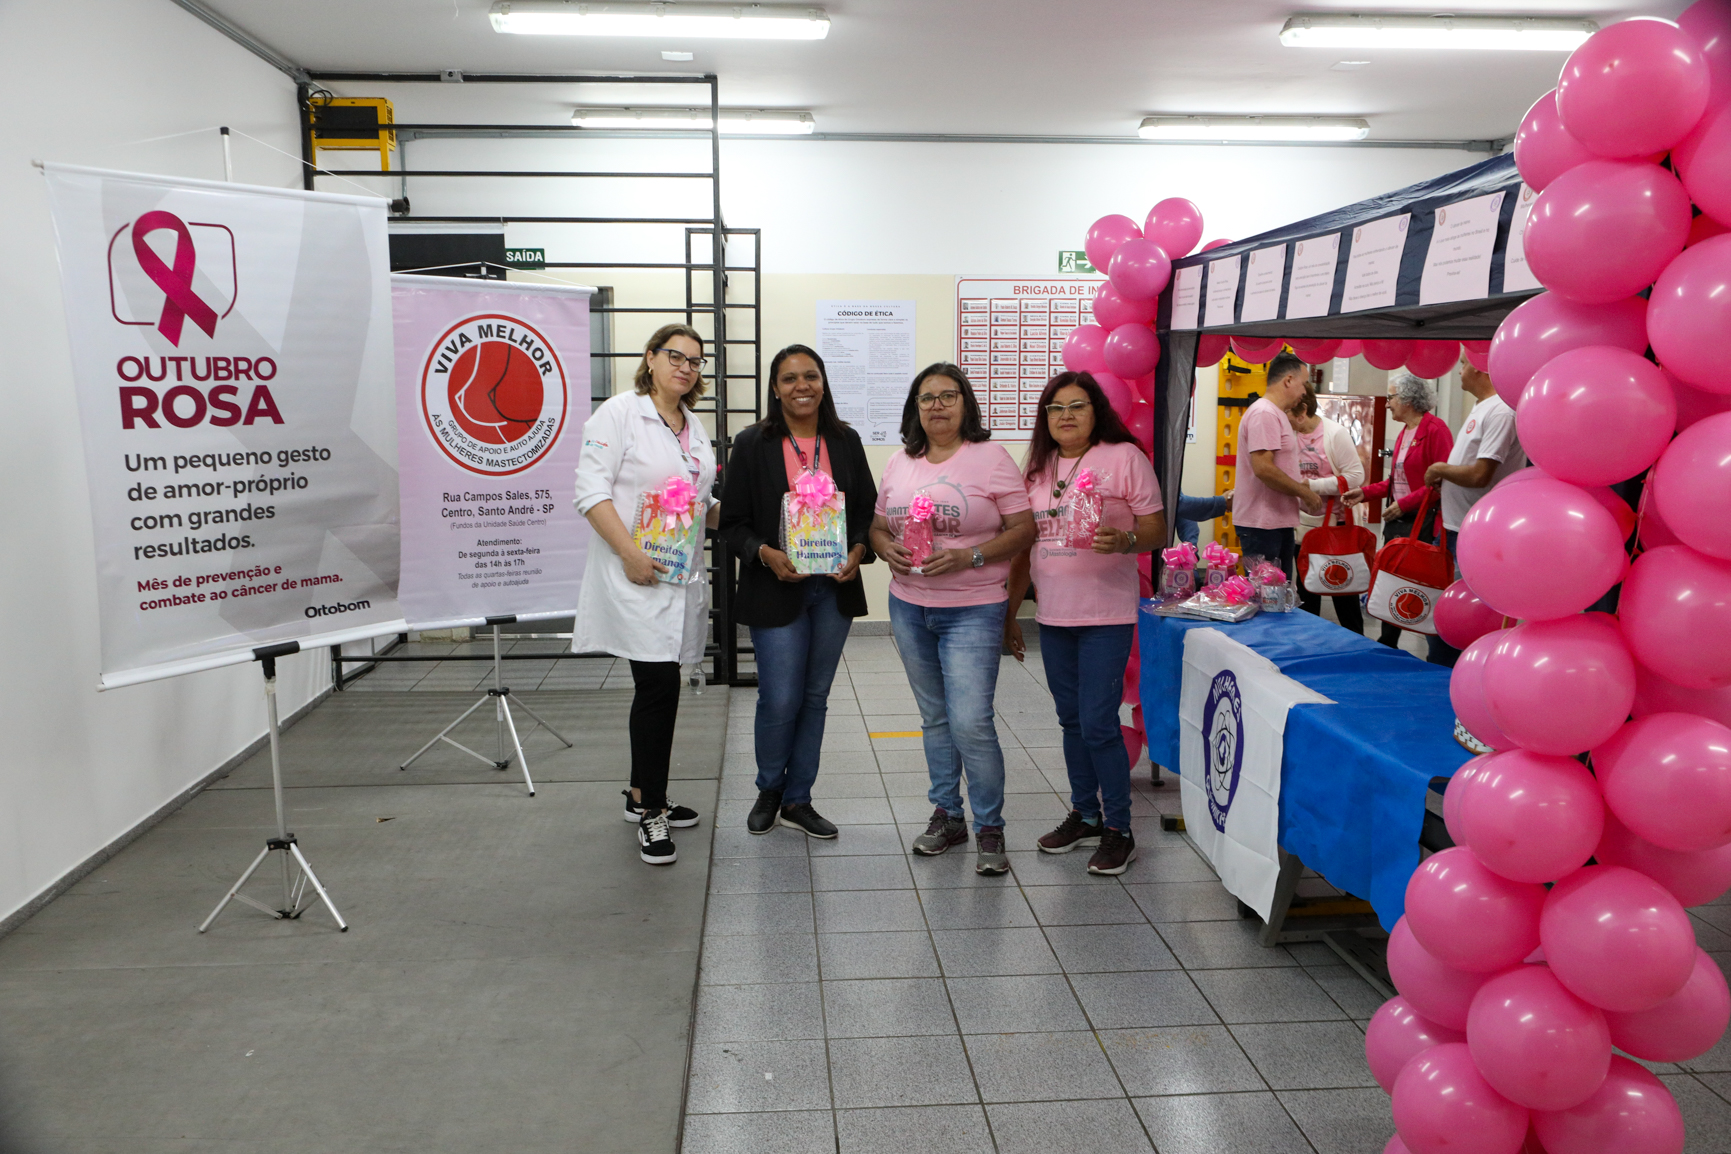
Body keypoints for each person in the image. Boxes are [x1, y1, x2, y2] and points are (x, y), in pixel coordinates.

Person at [870, 364, 1036, 876]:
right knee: (935, 718)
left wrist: (973, 558)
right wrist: (886, 550)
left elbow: (1024, 528)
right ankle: (947, 814)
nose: (937, 406)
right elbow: (878, 527)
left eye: (948, 396)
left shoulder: (989, 458)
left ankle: (990, 827)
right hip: (909, 604)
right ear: (914, 409)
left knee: (972, 721)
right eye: (927, 398)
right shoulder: (901, 461)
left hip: (973, 606)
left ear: (966, 404)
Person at [1003, 373, 1165, 876]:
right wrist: (1012, 615)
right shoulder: (1037, 469)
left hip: (1106, 614)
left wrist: (1126, 542)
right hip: (1052, 615)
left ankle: (1120, 828)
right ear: (1044, 417)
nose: (1066, 416)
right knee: (1071, 720)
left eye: (1077, 406)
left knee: (1097, 722)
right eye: (1055, 408)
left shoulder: (1124, 458)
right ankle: (1086, 815)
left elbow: (1156, 527)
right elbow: (1022, 548)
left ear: (1096, 411)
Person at [574, 323, 718, 866]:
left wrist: (768, 517)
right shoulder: (618, 413)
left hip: (678, 576)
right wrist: (630, 554)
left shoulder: (692, 425)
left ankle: (641, 794)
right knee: (658, 686)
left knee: (661, 684)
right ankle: (652, 812)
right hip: (635, 576)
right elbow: (590, 492)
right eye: (676, 356)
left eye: (696, 361)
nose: (686, 367)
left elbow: (699, 502)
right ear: (651, 359)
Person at [720, 345, 876, 840]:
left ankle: (798, 798)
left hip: (832, 591)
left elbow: (866, 509)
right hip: (776, 587)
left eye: (810, 376)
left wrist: (857, 550)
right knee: (780, 697)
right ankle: (769, 788)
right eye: (789, 379)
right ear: (774, 388)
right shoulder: (752, 443)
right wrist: (765, 553)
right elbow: (733, 523)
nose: (801, 386)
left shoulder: (846, 440)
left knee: (815, 696)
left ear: (824, 383)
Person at [1421, 352, 1526, 666]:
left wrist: (1441, 469)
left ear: (1480, 368)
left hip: (1475, 534)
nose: (1459, 371)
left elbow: (1481, 475)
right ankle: (1441, 668)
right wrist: (1448, 479)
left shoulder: (1501, 411)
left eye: (1464, 364)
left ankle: (1455, 672)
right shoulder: (1482, 408)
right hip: (1455, 526)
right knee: (1443, 610)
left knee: (1462, 616)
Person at [1343, 372, 1454, 654]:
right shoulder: (1405, 432)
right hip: (1398, 523)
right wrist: (1365, 493)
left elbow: (1441, 484)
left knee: (1420, 588)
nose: (1387, 404)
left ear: (1408, 399)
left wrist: (1404, 505)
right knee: (1390, 584)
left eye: (1391, 398)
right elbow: (1397, 482)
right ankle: (1388, 645)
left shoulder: (1436, 430)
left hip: (1424, 523)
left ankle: (1434, 651)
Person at [1233, 352, 1324, 577]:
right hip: (1262, 525)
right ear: (1288, 381)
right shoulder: (1264, 413)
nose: (1305, 391)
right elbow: (1263, 469)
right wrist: (1304, 492)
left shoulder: (1276, 414)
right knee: (1267, 598)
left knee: (1278, 598)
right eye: (1303, 384)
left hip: (1273, 522)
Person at [1290, 384, 1367, 634]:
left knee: (1343, 595)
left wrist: (1312, 485)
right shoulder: (1289, 435)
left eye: (1288, 413)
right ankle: (1312, 648)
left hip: (1336, 528)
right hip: (1302, 528)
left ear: (1303, 410)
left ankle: (1357, 649)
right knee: (1307, 593)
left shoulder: (1334, 434)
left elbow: (1356, 476)